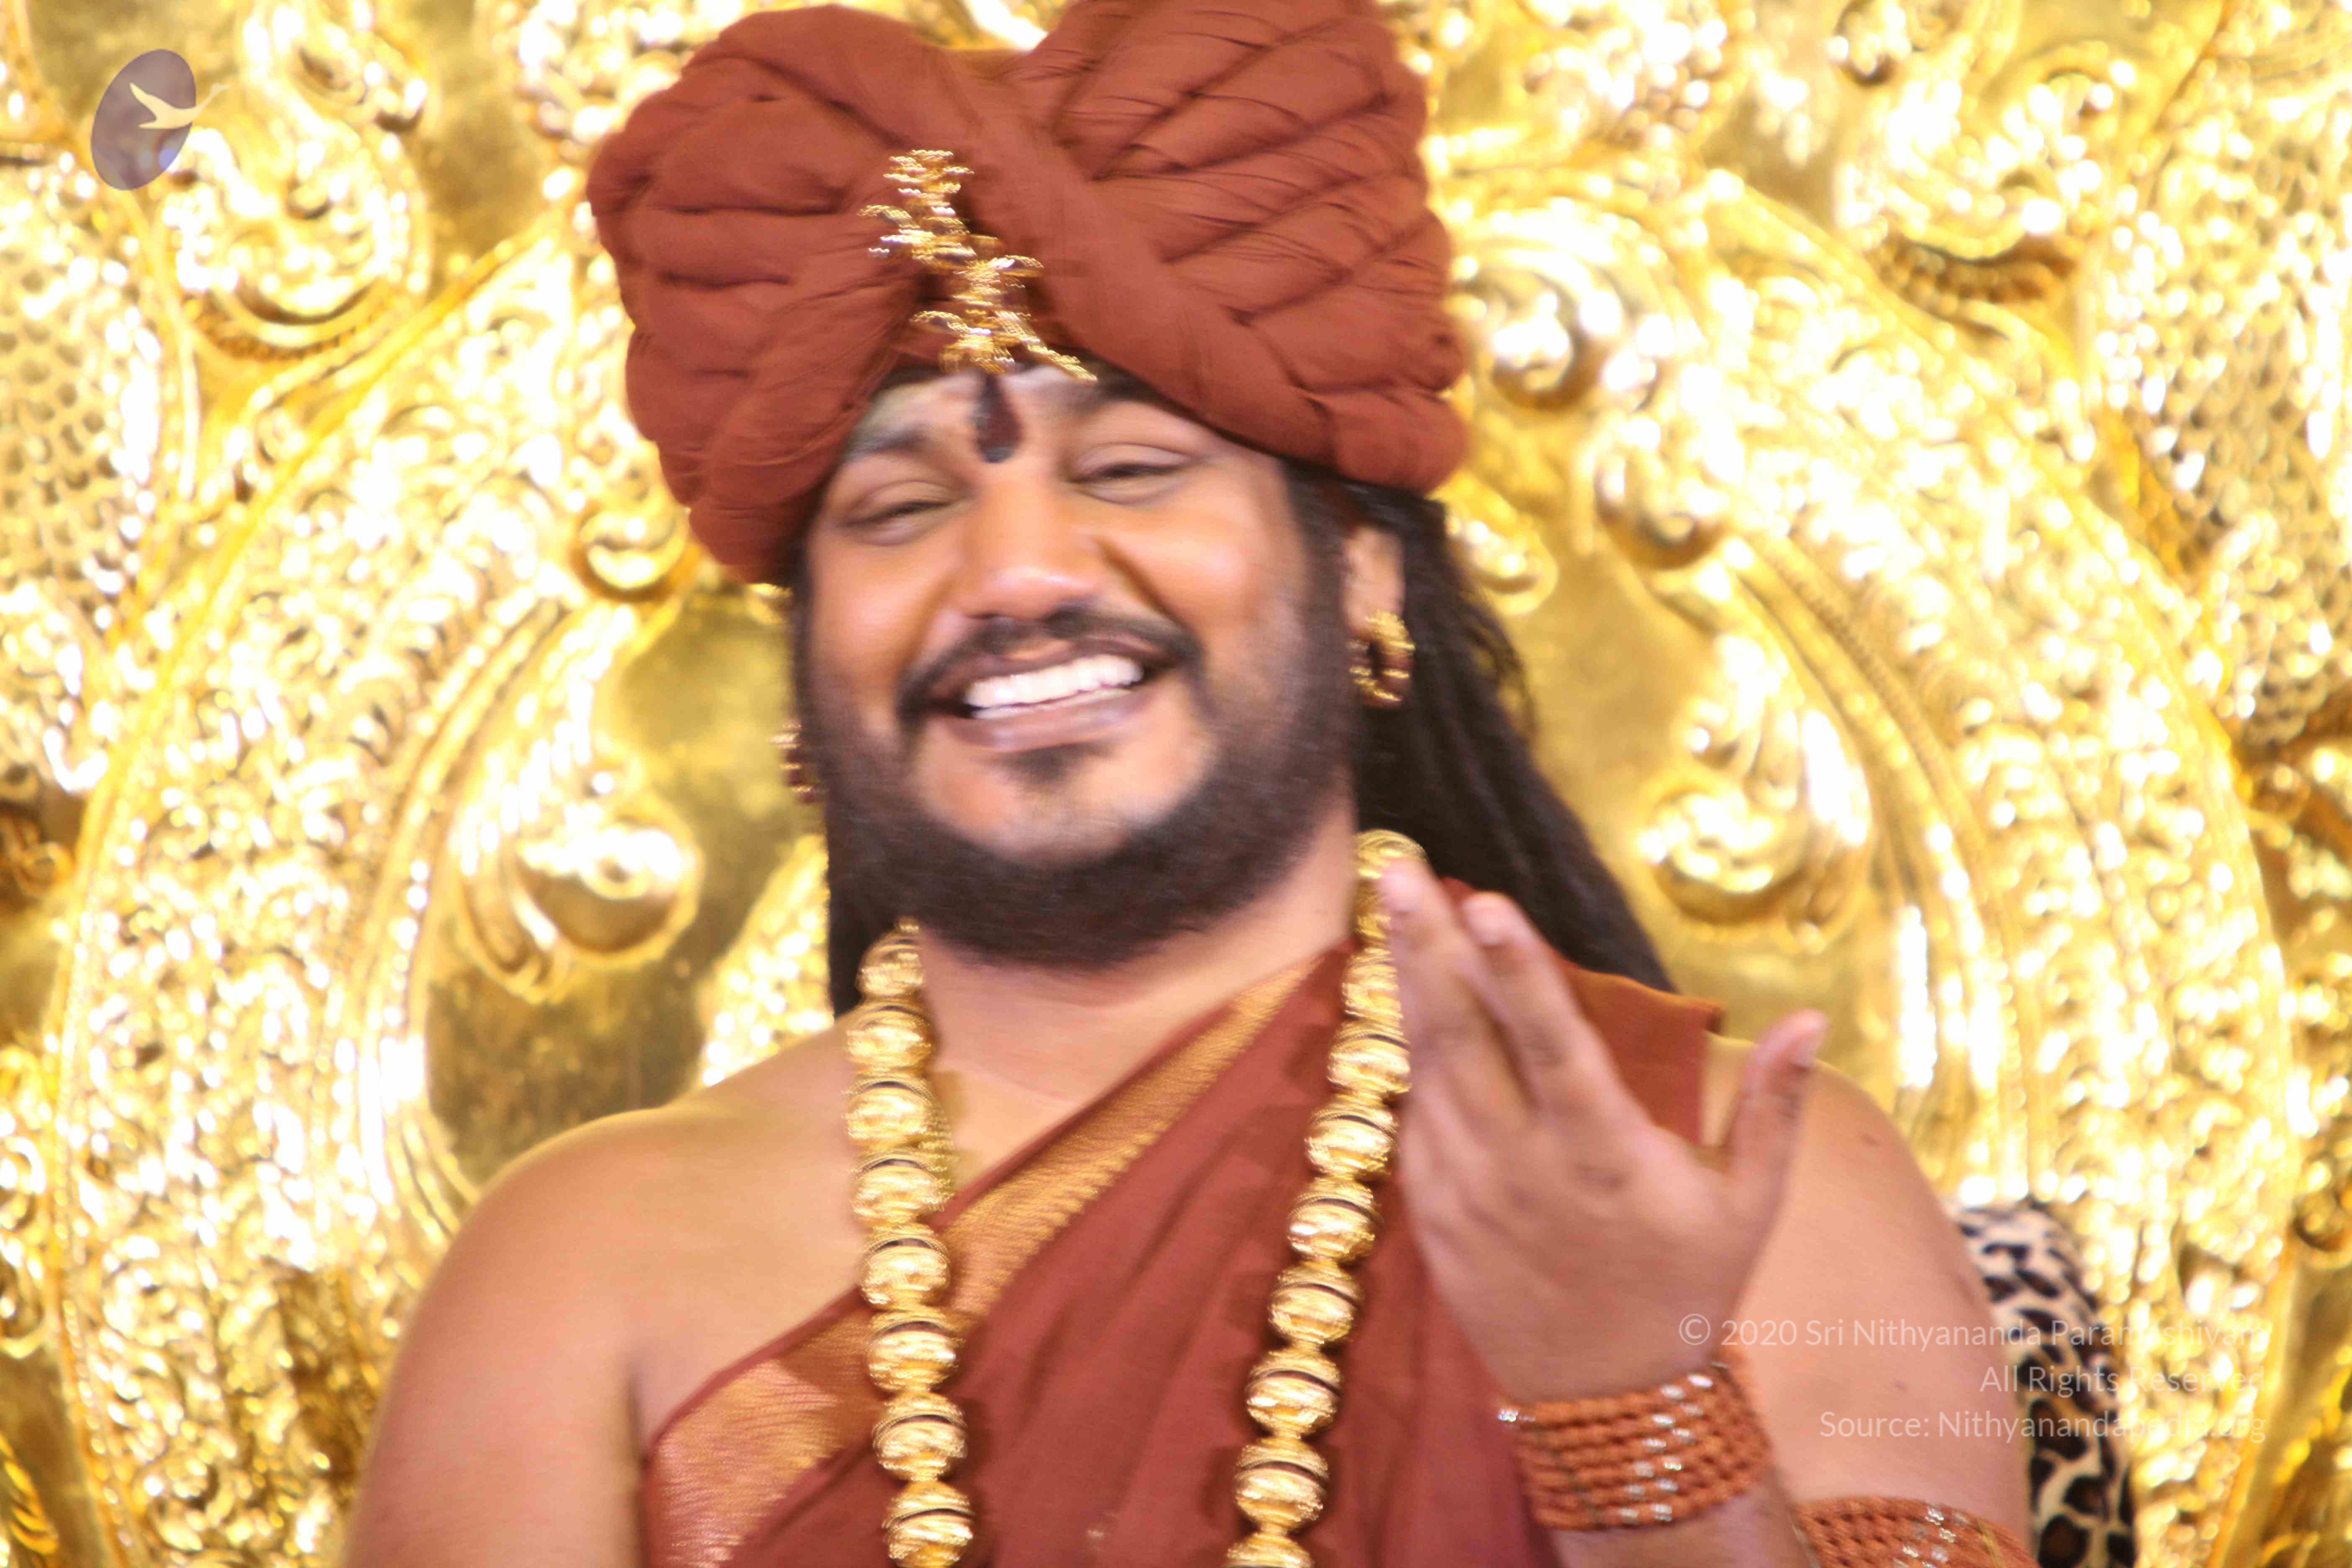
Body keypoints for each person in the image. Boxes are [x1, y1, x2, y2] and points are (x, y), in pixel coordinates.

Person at [343, 2, 2034, 1565]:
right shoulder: (582, 1270)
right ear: (804, 668)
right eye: (900, 510)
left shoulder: (1756, 1177)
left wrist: (1633, 1402)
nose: (1017, 572)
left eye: (1136, 468)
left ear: (1363, 575)